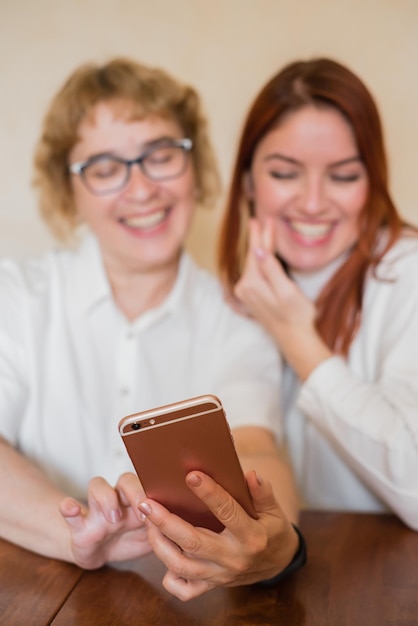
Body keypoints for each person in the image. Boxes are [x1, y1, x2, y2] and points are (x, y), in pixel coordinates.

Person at [0, 57, 304, 602]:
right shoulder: (17, 297)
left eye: (161, 155)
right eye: (104, 167)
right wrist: (75, 534)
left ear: (196, 168)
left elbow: (256, 447)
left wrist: (271, 542)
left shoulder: (239, 314)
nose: (141, 188)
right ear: (69, 190)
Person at [218, 57, 418, 530]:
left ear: (372, 183)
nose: (312, 202)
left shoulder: (407, 276)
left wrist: (298, 340)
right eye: (285, 173)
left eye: (344, 176)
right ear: (247, 181)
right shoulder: (243, 289)